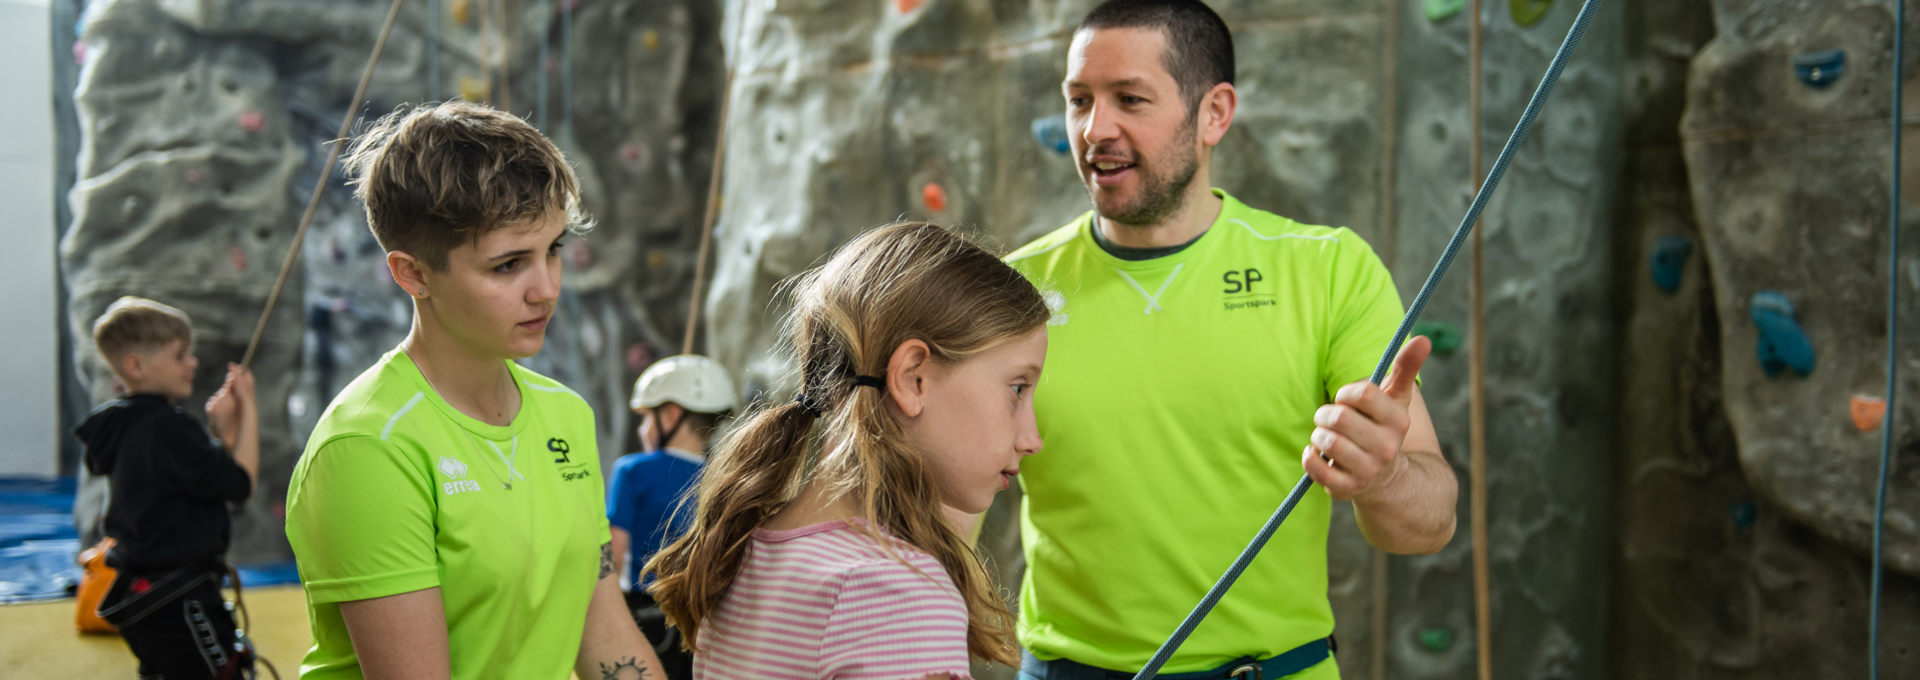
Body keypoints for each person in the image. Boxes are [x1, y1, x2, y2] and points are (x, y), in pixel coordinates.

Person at [1004, 1, 1459, 678]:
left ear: (1214, 113)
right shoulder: (1009, 292)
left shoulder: (1329, 270)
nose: (1095, 129)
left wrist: (1383, 474)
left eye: (1130, 99)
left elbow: (1428, 525)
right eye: (1078, 101)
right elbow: (947, 512)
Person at [284, 101, 662, 680]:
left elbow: (606, 635)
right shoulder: (367, 447)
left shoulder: (565, 415)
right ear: (412, 274)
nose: (546, 290)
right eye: (509, 265)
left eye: (553, 250)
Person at [647, 221, 1049, 679]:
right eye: (1017, 388)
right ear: (912, 377)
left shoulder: (749, 549)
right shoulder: (894, 591)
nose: (1032, 438)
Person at [76, 296, 259, 680]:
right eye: (180, 355)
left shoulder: (121, 425)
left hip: (141, 593)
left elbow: (199, 479)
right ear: (136, 366)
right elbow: (240, 483)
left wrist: (221, 434)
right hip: (180, 596)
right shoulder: (170, 428)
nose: (192, 363)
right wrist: (249, 407)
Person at [607, 354, 737, 680]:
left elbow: (613, 552)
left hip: (647, 619)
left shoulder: (632, 470)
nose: (642, 429)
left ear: (670, 415)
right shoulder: (724, 480)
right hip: (707, 626)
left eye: (646, 418)